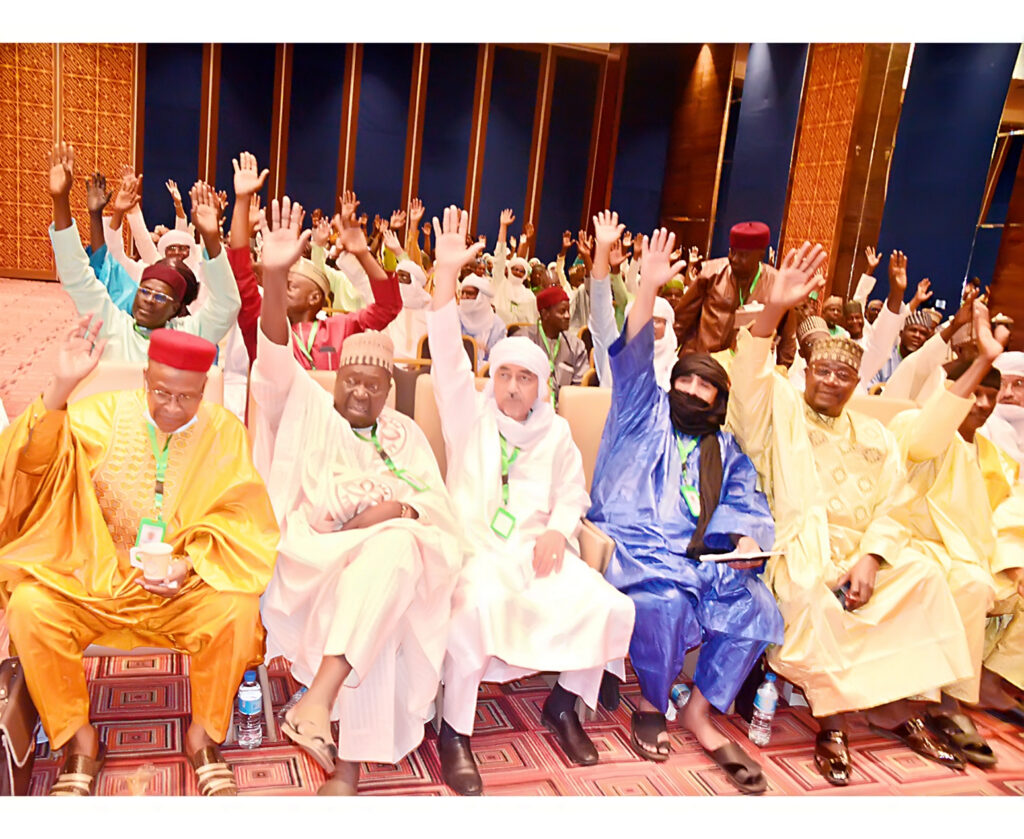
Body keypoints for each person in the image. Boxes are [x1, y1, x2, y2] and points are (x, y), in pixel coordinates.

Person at [726, 241, 974, 786]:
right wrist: (775, 309)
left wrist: (871, 558)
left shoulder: (875, 435)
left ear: (857, 383)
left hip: (861, 553)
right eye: (822, 371)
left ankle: (901, 707)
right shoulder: (781, 415)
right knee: (813, 594)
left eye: (843, 375)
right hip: (801, 549)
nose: (831, 381)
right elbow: (748, 384)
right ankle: (833, 722)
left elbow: (895, 504)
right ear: (806, 372)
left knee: (926, 578)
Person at [0, 323, 279, 796]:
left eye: (186, 397)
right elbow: (31, 466)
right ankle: (80, 740)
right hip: (96, 586)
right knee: (30, 607)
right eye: (161, 392)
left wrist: (189, 565)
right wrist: (60, 388)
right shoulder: (98, 416)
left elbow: (241, 518)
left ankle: (203, 736)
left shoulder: (225, 431)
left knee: (236, 610)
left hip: (182, 591)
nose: (171, 406)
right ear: (145, 377)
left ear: (205, 389)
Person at [248, 197, 462, 796]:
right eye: (351, 381)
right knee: (391, 568)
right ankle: (340, 750)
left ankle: (324, 717)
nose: (361, 394)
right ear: (335, 378)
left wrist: (398, 511)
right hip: (316, 556)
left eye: (374, 385)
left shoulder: (406, 433)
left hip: (385, 563)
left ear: (389, 389)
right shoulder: (309, 407)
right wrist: (273, 277)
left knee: (391, 562)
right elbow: (272, 358)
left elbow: (438, 508)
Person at [426, 205, 634, 796]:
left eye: (525, 379)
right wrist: (446, 274)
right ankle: (456, 733)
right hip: (474, 550)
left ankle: (564, 704)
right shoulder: (469, 414)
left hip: (536, 550)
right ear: (491, 378)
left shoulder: (556, 431)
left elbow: (572, 493)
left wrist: (557, 530)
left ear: (541, 387)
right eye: (505, 375)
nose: (513, 387)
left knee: (601, 602)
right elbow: (446, 354)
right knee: (473, 610)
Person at [588, 227, 782, 794]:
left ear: (718, 401)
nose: (694, 391)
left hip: (697, 560)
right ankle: (651, 704)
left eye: (706, 387)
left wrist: (746, 542)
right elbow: (631, 354)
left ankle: (699, 712)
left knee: (757, 605)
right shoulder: (639, 411)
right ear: (670, 383)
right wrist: (646, 287)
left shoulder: (726, 450)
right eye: (686, 381)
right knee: (667, 603)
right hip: (635, 551)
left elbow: (745, 505)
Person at [886, 309, 1023, 766]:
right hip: (914, 545)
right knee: (969, 584)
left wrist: (1014, 561)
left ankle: (991, 685)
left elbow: (1011, 515)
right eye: (973, 393)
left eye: (989, 397)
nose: (981, 404)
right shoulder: (915, 425)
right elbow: (922, 444)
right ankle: (943, 702)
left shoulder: (996, 456)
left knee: (987, 580)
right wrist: (981, 361)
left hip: (979, 554)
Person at [46, 142, 240, 362]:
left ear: (175, 307)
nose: (148, 300)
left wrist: (211, 238)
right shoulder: (113, 325)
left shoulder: (189, 335)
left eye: (160, 297)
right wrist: (60, 200)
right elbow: (76, 275)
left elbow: (227, 305)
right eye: (144, 291)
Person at [283, 192, 402, 372]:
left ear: (314, 298)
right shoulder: (268, 330)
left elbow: (387, 307)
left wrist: (362, 254)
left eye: (289, 286)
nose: (279, 290)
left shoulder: (339, 327)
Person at [673, 221, 795, 365]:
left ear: (760, 255)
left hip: (746, 369)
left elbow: (788, 340)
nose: (734, 259)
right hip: (704, 364)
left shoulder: (776, 285)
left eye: (743, 255)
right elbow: (681, 321)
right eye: (732, 252)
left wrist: (781, 370)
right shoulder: (711, 273)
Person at [588, 210, 678, 390]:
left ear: (668, 327)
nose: (650, 325)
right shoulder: (615, 351)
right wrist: (602, 250)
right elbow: (600, 306)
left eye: (658, 321)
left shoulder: (677, 369)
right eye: (646, 319)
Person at [517, 286, 590, 401]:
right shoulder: (523, 341)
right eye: (562, 311)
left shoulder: (576, 346)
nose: (568, 316)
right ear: (544, 314)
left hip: (565, 408)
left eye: (568, 311)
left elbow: (579, 389)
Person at [492, 208, 539, 326]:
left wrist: (527, 241)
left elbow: (533, 324)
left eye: (521, 271)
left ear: (525, 275)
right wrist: (503, 227)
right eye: (515, 269)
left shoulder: (529, 297)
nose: (518, 272)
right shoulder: (500, 283)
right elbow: (499, 257)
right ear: (508, 270)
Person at [457, 275, 506, 362]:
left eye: (469, 293)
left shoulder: (497, 324)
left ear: (482, 297)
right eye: (462, 293)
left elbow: (500, 356)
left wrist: (486, 350)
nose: (464, 297)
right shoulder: (454, 315)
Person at [788, 315, 830, 392]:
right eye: (812, 344)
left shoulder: (839, 380)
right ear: (801, 353)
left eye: (825, 342)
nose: (819, 348)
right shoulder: (793, 385)